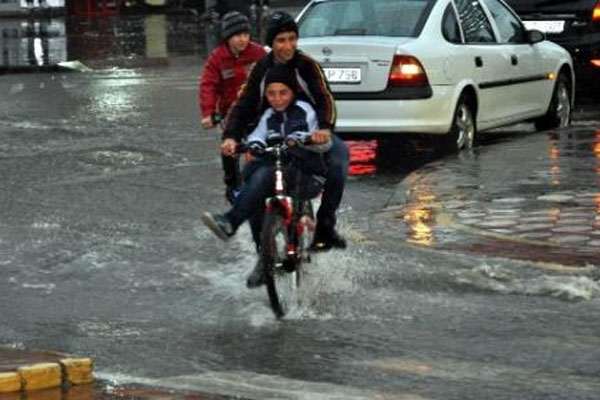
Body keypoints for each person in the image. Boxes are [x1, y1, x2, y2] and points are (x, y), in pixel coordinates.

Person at [221, 11, 350, 252]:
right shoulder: (261, 69)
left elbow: (325, 99)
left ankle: (325, 228)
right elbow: (244, 105)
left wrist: (324, 128)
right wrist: (231, 136)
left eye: (292, 39)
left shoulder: (307, 65)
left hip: (310, 134)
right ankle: (263, 251)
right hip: (271, 132)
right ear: (271, 43)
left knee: (340, 161)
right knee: (253, 177)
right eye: (281, 40)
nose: (288, 46)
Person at [202, 64, 332, 288]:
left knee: (263, 176)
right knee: (255, 181)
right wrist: (248, 145)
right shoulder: (268, 116)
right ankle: (265, 257)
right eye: (271, 94)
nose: (277, 99)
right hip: (278, 169)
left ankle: (231, 221)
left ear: (293, 92)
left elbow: (319, 135)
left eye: (283, 93)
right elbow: (258, 136)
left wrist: (307, 138)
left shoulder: (305, 110)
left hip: (306, 173)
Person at [199, 11, 267, 204]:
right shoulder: (217, 58)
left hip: (258, 111)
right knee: (230, 149)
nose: (242, 39)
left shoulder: (258, 53)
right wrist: (208, 113)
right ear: (227, 37)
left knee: (267, 148)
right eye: (238, 35)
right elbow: (208, 86)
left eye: (246, 34)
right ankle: (233, 185)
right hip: (231, 114)